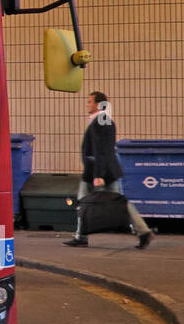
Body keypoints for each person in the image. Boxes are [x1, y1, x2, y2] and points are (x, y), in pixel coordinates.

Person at [65, 91, 154, 249]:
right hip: (106, 170)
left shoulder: (100, 121)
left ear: (98, 104)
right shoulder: (104, 120)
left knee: (83, 201)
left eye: (90, 102)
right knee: (120, 203)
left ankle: (81, 237)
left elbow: (101, 149)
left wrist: (98, 174)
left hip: (97, 171)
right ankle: (143, 231)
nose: (87, 104)